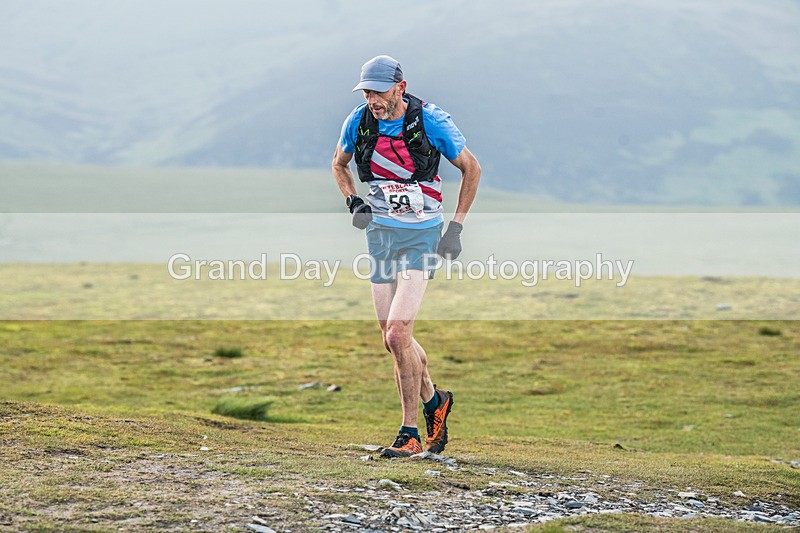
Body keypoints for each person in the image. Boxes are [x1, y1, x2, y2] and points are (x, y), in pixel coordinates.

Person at [332, 55, 481, 457]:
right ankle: (436, 402)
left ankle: (410, 434)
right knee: (392, 339)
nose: (372, 100)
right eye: (366, 92)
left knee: (399, 333)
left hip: (421, 236)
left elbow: (472, 169)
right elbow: (339, 164)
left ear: (399, 87)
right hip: (380, 236)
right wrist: (353, 202)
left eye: (378, 91)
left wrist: (456, 228)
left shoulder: (430, 121)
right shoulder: (358, 121)